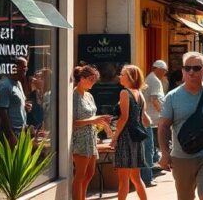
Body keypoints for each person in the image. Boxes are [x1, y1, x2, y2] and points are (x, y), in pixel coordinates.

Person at [158, 52, 203, 200]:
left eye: (196, 68)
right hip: (182, 156)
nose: (191, 72)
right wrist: (165, 153)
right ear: (183, 70)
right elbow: (163, 126)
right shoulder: (172, 97)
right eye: (187, 68)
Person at [71, 65, 112, 200]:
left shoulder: (89, 95)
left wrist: (103, 122)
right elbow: (72, 123)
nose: (93, 83)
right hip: (79, 138)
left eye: (95, 80)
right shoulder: (73, 96)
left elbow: (92, 117)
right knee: (80, 175)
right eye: (91, 80)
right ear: (82, 78)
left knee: (89, 174)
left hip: (91, 138)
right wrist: (93, 120)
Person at [113, 65, 150, 200]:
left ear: (130, 77)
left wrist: (114, 137)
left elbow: (124, 118)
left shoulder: (124, 92)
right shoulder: (140, 94)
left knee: (123, 180)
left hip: (125, 137)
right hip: (137, 138)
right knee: (136, 178)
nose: (120, 76)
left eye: (122, 74)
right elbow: (145, 120)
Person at [142, 60, 168, 186]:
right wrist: (163, 114)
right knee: (151, 147)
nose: (165, 73)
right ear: (157, 69)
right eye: (164, 71)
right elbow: (154, 100)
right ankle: (150, 174)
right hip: (152, 119)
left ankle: (155, 167)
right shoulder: (154, 80)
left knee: (152, 146)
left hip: (150, 118)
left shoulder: (151, 78)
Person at [0, 56, 30, 146]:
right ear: (15, 67)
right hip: (13, 133)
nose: (26, 70)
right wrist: (10, 135)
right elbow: (3, 112)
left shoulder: (18, 83)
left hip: (22, 132)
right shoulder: (5, 85)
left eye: (26, 68)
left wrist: (25, 107)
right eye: (24, 67)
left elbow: (17, 104)